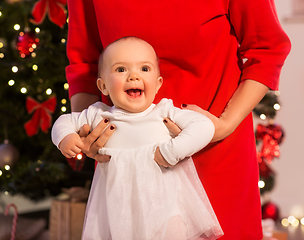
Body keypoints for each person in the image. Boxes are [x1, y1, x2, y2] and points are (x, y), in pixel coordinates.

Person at [62, 0, 291, 239]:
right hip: (127, 163)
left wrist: (223, 125)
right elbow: (84, 63)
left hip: (215, 153)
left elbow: (267, 47)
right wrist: (88, 132)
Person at [52, 37, 223, 239]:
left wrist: (172, 151)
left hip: (166, 205)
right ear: (103, 86)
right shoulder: (99, 114)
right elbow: (63, 122)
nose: (133, 76)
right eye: (121, 69)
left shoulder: (164, 112)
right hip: (117, 210)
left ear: (158, 84)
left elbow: (204, 126)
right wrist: (65, 137)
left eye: (144, 69)